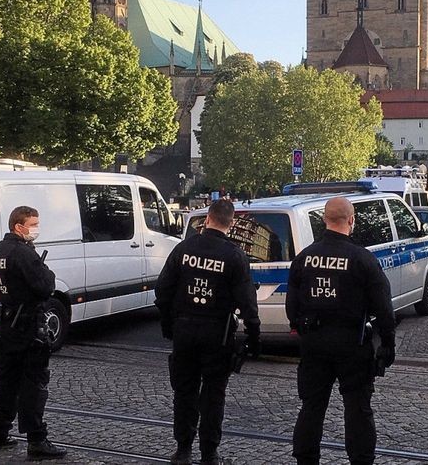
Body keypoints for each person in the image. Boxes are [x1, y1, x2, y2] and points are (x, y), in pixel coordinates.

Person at [287, 196, 395, 465]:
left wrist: (303, 329)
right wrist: (387, 345)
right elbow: (384, 308)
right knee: (358, 410)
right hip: (352, 343)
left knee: (311, 407)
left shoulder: (304, 258)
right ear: (352, 221)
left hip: (314, 342)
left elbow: (292, 306)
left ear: (324, 220)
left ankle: (305, 460)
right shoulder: (362, 259)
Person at [155, 198, 261, 465]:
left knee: (185, 391)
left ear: (207, 219)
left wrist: (168, 324)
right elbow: (247, 300)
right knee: (214, 394)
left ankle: (182, 449)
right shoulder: (234, 255)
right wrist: (253, 332)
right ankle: (210, 453)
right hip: (217, 334)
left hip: (184, 330)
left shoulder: (184, 249)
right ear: (231, 223)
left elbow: (162, 290)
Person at [0, 206, 66, 460]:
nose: (36, 229)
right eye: (33, 224)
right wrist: (46, 272)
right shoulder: (23, 253)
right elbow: (46, 285)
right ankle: (37, 440)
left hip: (8, 324)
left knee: (6, 382)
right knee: (33, 384)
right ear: (19, 226)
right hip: (30, 326)